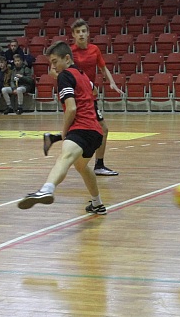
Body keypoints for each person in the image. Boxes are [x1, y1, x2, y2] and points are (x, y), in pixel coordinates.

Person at [18, 41, 106, 216]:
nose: (53, 67)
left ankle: (46, 189)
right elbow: (94, 91)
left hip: (81, 127)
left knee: (64, 157)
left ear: (67, 59)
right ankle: (97, 204)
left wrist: (65, 131)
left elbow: (71, 108)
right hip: (96, 131)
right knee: (81, 167)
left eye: (54, 61)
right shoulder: (82, 75)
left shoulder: (65, 76)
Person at [42, 18, 122, 176]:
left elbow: (103, 68)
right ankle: (98, 164)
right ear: (73, 35)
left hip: (89, 94)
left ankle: (54, 138)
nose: (81, 34)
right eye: (78, 32)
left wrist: (112, 82)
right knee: (101, 129)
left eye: (83, 31)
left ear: (88, 33)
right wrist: (67, 84)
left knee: (89, 128)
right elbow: (53, 70)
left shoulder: (94, 50)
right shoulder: (68, 53)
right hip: (80, 96)